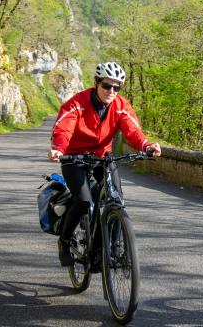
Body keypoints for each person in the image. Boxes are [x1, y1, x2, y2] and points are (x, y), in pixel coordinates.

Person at [47, 61, 161, 266]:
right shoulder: (78, 103)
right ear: (97, 83)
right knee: (83, 201)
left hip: (103, 157)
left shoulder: (120, 106)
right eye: (107, 86)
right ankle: (64, 242)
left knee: (116, 200)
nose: (112, 91)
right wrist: (59, 148)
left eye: (117, 87)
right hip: (75, 157)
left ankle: (109, 250)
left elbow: (132, 131)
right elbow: (64, 128)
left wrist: (146, 145)